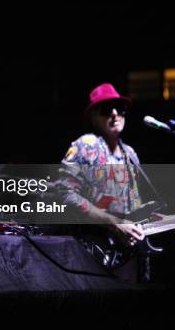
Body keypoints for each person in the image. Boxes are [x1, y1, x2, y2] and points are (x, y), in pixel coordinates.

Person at [59, 83, 145, 245]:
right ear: (93, 117)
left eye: (120, 108)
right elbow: (65, 194)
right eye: (106, 109)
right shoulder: (84, 146)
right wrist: (114, 223)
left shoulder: (130, 154)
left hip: (124, 248)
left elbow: (134, 201)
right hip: (90, 247)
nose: (114, 113)